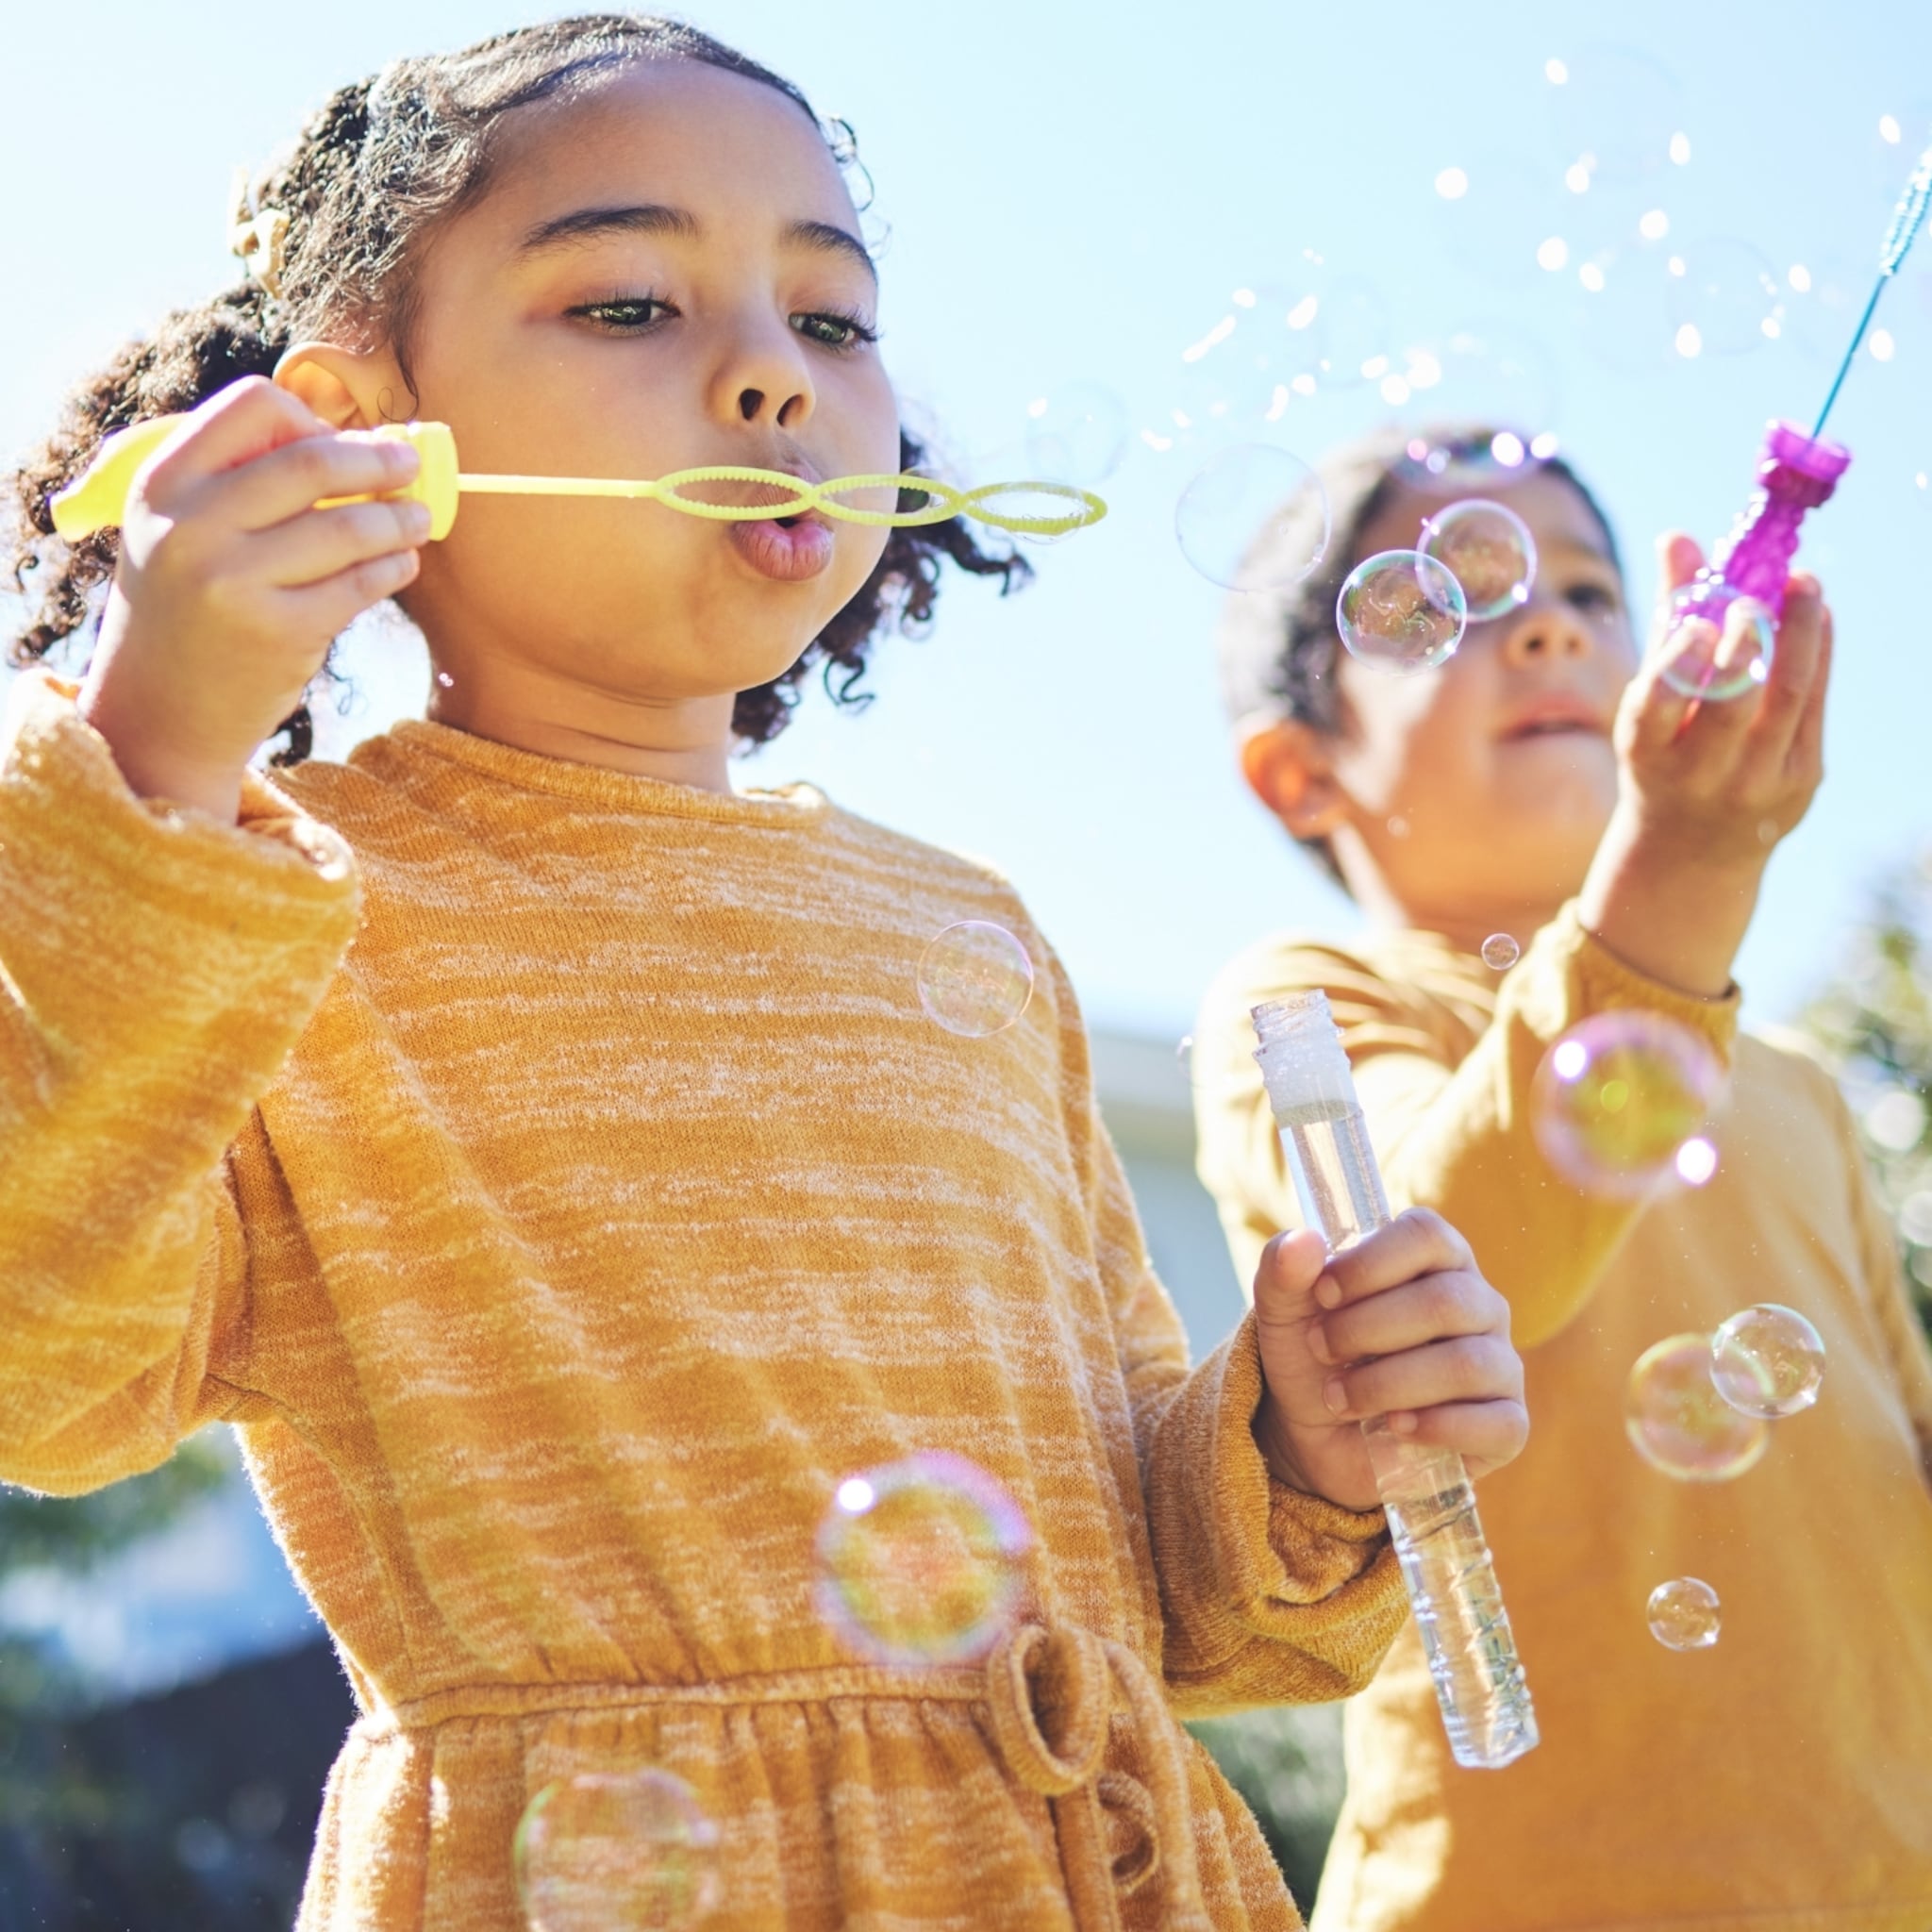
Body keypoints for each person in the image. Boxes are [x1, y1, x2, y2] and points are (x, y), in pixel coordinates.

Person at [0, 25, 1528, 1931]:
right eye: (631, 298)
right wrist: (150, 763)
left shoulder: (970, 937)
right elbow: (42, 1370)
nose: (766, 373)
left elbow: (1147, 1589)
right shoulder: (253, 902)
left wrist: (1297, 1443)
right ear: (353, 422)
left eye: (831, 316)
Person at [1191, 424, 1932, 1932]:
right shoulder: (1312, 1001)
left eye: (1591, 595)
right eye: (1450, 602)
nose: (1547, 622)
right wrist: (1689, 865)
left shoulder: (1786, 1085)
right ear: (1301, 771)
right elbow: (1431, 1276)